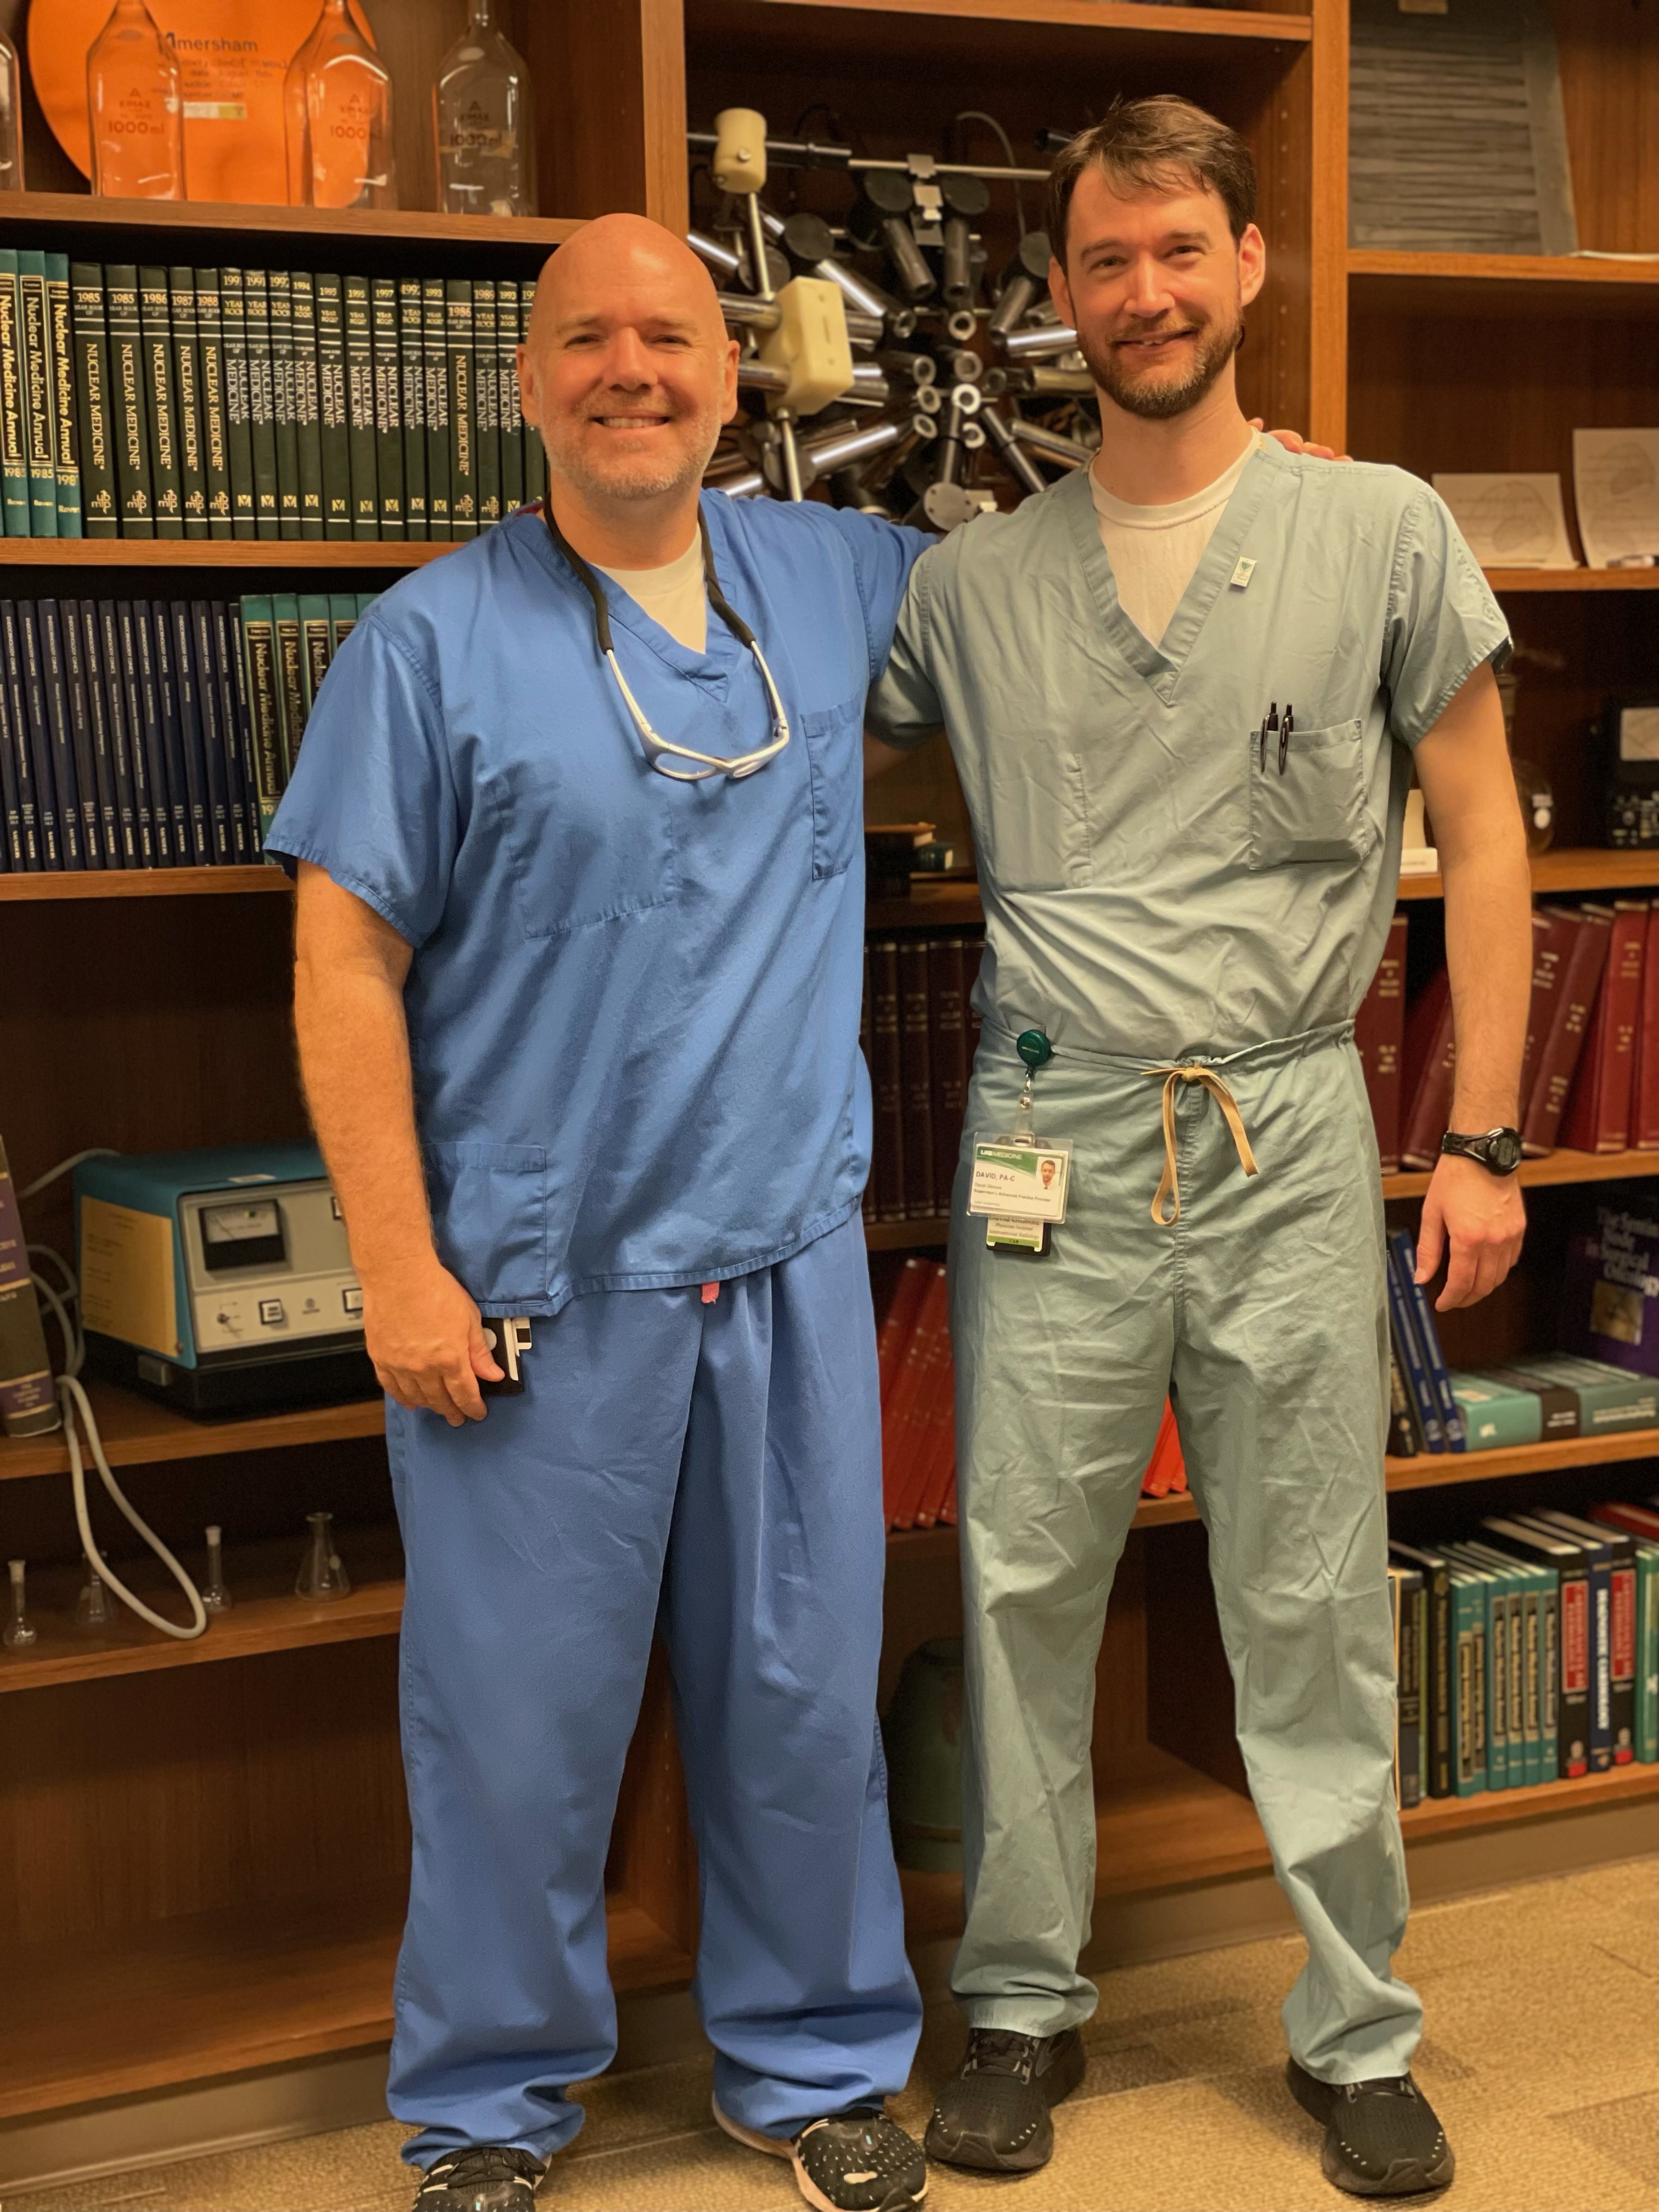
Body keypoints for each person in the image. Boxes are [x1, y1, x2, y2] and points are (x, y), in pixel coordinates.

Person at [866, 97, 1531, 2200]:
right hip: (1048, 1133)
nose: (1144, 293)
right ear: (1059, 298)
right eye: (1105, 260)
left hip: (1291, 1123)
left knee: (1312, 1589)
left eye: (1179, 250)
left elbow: (1486, 835)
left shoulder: (1380, 527)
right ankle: (1021, 2002)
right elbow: (811, 742)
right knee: (1021, 1578)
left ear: (1249, 265)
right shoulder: (969, 586)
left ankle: (1359, 2028)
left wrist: (1485, 1136)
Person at [268, 215, 935, 2212]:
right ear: (529, 383)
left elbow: (1073, 597)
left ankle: (816, 2066)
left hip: (786, 1256)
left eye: (669, 335)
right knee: (515, 1729)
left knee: (803, 1703)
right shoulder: (428, 642)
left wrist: (1258, 474)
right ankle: (488, 2107)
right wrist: (396, 1265)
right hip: (533, 1286)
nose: (629, 369)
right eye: (586, 341)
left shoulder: (837, 577)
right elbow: (342, 965)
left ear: (733, 379)